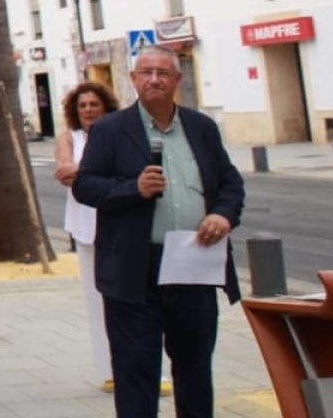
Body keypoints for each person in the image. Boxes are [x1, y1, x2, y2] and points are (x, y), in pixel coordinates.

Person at [75, 47, 243, 418]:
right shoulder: (110, 130)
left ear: (177, 81)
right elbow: (85, 186)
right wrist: (133, 188)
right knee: (136, 371)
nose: (154, 80)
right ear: (133, 79)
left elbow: (230, 182)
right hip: (135, 267)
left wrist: (222, 215)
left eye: (163, 73)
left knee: (196, 368)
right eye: (146, 72)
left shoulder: (201, 128)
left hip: (193, 263)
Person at [54, 82, 119, 393]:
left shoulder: (120, 135)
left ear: (106, 106)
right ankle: (108, 369)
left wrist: (84, 173)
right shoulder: (70, 138)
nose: (89, 110)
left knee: (134, 298)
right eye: (83, 106)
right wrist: (102, 173)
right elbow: (64, 173)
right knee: (96, 300)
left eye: (94, 104)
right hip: (85, 226)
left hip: (120, 225)